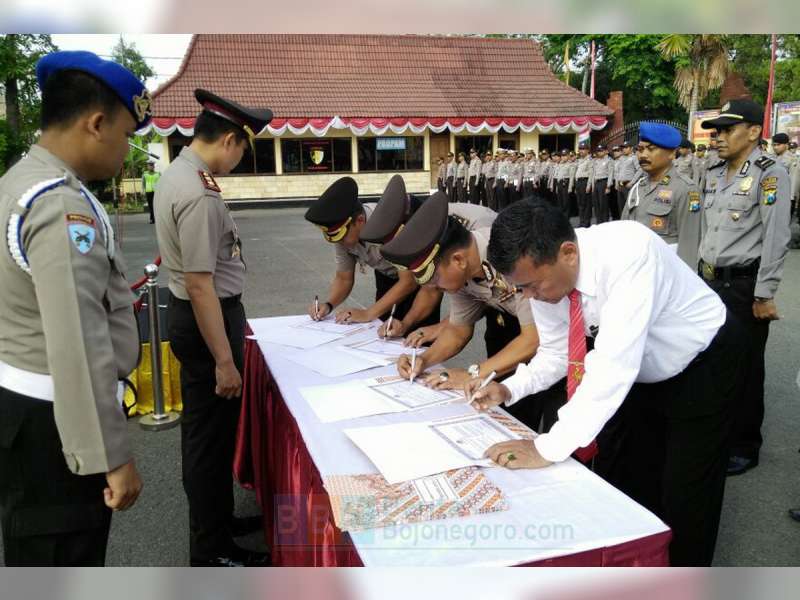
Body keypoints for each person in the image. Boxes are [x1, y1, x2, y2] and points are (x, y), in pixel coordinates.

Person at [468, 199, 743, 566]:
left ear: (567, 252)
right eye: (523, 290)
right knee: (632, 481)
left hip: (702, 362)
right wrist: (510, 388)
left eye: (533, 286)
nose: (530, 298)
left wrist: (548, 447)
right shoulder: (544, 278)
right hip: (644, 372)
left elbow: (613, 365)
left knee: (686, 495)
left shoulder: (630, 252)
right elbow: (555, 353)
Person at [0, 50, 147, 566]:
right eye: (127, 135)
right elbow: (78, 345)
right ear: (96, 123)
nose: (127, 151)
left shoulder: (19, 181)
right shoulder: (60, 204)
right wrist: (109, 456)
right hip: (55, 427)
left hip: (28, 412)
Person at [154, 89, 272, 567]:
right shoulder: (198, 192)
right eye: (243, 149)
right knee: (207, 442)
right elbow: (201, 285)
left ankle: (219, 523)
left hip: (198, 317)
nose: (240, 160)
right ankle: (211, 550)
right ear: (229, 140)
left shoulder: (179, 174)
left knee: (214, 435)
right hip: (207, 321)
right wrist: (225, 360)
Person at [381, 193, 566, 433]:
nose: (434, 287)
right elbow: (458, 329)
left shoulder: (507, 255)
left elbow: (534, 338)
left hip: (568, 341)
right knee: (514, 413)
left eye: (435, 277)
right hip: (528, 338)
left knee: (563, 421)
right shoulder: (463, 272)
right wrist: (423, 361)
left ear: (458, 260)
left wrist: (472, 372)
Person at [698, 100, 792, 476]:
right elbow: (707, 232)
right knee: (711, 361)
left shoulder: (771, 173)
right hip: (709, 281)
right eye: (716, 131)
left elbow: (775, 235)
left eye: (726, 130)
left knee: (746, 368)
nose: (718, 137)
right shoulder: (716, 172)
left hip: (742, 285)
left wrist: (764, 292)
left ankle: (744, 445)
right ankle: (717, 433)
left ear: (753, 131)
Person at [376, 190, 497, 341]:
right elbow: (431, 289)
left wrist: (441, 328)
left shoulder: (471, 230)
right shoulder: (431, 234)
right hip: (480, 285)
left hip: (507, 288)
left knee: (503, 335)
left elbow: (486, 294)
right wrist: (405, 325)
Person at [622, 123, 703, 268]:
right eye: (640, 149)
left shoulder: (686, 189)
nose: (643, 155)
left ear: (672, 153)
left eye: (651, 149)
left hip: (667, 271)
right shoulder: (637, 188)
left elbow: (689, 246)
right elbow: (624, 230)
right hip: (637, 268)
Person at [591, 144, 614, 224]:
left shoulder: (609, 160)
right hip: (597, 183)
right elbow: (594, 173)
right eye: (598, 151)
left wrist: (608, 186)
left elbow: (611, 174)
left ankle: (605, 222)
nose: (599, 152)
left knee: (603, 204)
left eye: (601, 151)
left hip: (604, 182)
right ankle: (599, 221)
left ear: (605, 151)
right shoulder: (596, 161)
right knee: (596, 204)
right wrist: (593, 185)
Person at [615, 141, 638, 217]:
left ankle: (629, 223)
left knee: (629, 206)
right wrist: (617, 183)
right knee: (620, 207)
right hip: (620, 185)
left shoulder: (634, 157)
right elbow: (618, 171)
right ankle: (622, 223)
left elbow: (640, 170)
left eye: (626, 147)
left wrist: (632, 182)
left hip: (628, 185)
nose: (624, 149)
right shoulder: (621, 159)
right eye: (623, 148)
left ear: (631, 148)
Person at [574, 142, 594, 226]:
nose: (581, 151)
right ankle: (581, 221)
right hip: (579, 183)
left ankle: (586, 222)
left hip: (585, 182)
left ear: (587, 150)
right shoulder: (579, 160)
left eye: (583, 149)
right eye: (580, 149)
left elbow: (591, 174)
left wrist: (589, 185)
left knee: (586, 204)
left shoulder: (590, 160)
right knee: (580, 203)